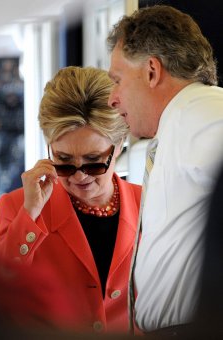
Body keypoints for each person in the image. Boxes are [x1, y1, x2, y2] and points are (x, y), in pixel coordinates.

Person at [0, 66, 141, 334]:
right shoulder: (17, 208)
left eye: (94, 162)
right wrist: (30, 214)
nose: (80, 176)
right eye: (64, 161)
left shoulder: (149, 204)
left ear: (119, 145)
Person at [107, 4, 223, 337]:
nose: (113, 98)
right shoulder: (182, 120)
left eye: (117, 80)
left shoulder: (200, 112)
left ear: (152, 71)